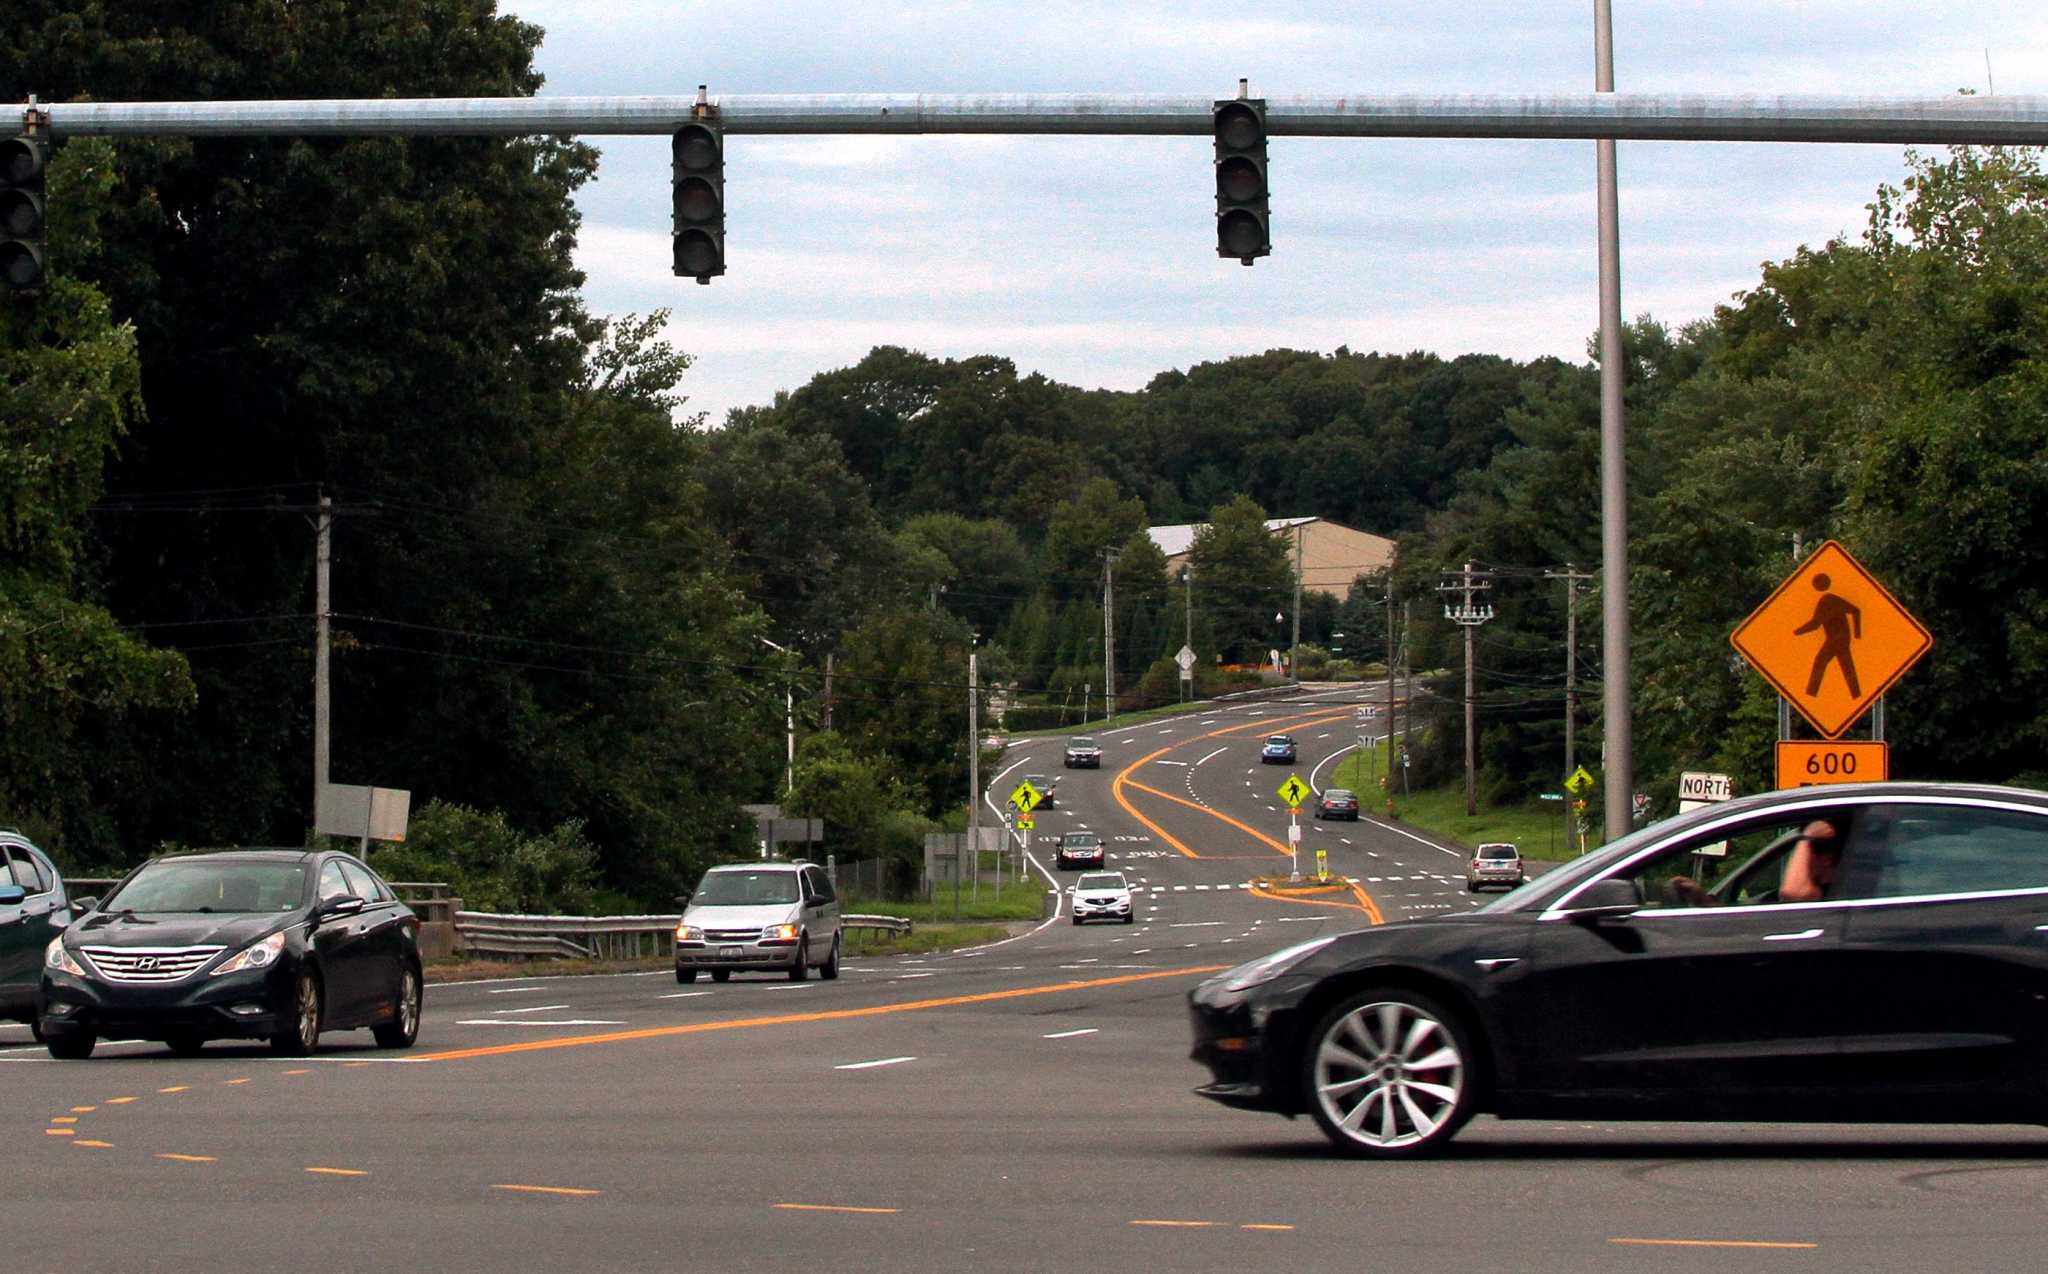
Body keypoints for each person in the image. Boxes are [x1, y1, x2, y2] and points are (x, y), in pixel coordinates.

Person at [1779, 818, 1842, 902]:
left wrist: (1806, 839)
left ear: (1827, 859)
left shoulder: (1834, 892)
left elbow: (1793, 893)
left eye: (1805, 854)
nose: (1797, 863)